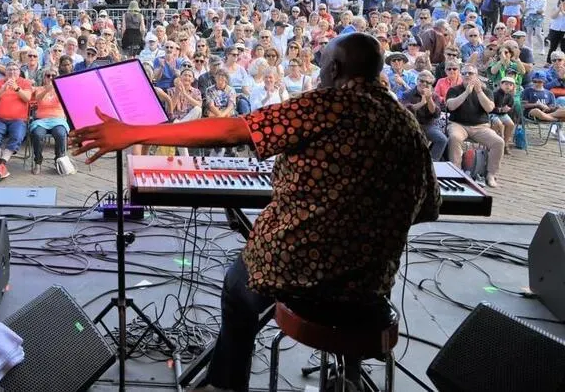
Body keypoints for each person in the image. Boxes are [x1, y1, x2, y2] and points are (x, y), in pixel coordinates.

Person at [68, 33, 439, 392]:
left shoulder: (323, 106)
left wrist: (134, 132)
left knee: (238, 283)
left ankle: (224, 384)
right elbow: (427, 208)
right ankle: (349, 373)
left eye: (322, 64)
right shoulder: (405, 123)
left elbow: (234, 131)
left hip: (306, 277)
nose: (318, 73)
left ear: (336, 69)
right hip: (371, 286)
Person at [445, 64, 504, 188]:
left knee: (498, 142)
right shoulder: (454, 90)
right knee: (454, 137)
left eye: (470, 73)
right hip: (458, 124)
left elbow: (489, 108)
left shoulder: (486, 91)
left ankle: (491, 174)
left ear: (476, 76)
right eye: (464, 73)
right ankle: (456, 172)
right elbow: (451, 106)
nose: (467, 75)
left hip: (480, 127)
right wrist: (466, 92)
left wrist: (479, 92)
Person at [0, 62, 33, 180]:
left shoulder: (25, 82)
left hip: (18, 120)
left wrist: (17, 88)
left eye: (14, 69)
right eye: (9, 70)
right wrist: (3, 89)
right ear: (5, 72)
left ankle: (1, 165)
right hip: (0, 119)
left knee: (17, 136)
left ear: (19, 71)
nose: (12, 72)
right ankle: (1, 166)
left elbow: (27, 98)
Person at [29, 70, 72, 175]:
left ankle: (58, 161)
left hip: (58, 119)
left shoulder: (61, 89)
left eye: (54, 75)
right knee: (37, 135)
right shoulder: (39, 89)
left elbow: (67, 100)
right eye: (48, 75)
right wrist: (46, 90)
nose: (51, 77)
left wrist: (57, 88)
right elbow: (38, 99)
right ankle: (38, 162)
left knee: (60, 134)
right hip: (41, 120)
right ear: (44, 78)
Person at [401, 70, 447, 160]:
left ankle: (432, 162)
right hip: (411, 125)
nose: (424, 84)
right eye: (422, 81)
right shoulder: (407, 94)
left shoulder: (434, 96)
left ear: (431, 85)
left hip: (428, 125)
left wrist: (429, 99)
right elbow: (405, 111)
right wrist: (421, 103)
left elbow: (436, 114)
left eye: (428, 82)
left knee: (442, 139)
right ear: (417, 80)